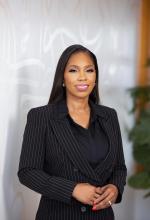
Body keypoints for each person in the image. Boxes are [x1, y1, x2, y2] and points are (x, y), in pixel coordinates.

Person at [18, 44, 127, 220]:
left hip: (101, 215)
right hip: (58, 215)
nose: (83, 77)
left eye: (89, 70)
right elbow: (28, 172)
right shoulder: (41, 117)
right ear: (62, 77)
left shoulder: (109, 116)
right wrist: (72, 189)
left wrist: (115, 188)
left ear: (96, 77)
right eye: (74, 70)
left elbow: (119, 167)